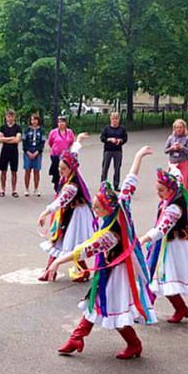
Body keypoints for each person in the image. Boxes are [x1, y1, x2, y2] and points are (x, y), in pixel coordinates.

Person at [46, 146, 155, 360]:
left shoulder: (110, 234)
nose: (94, 210)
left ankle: (133, 344)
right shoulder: (120, 205)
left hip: (118, 271)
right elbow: (130, 181)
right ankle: (77, 337)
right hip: (110, 268)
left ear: (106, 208)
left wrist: (59, 261)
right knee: (96, 302)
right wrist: (137, 156)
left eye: (97, 208)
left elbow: (85, 249)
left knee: (111, 307)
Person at [140, 166, 188, 324]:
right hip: (165, 244)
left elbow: (161, 229)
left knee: (163, 279)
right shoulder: (166, 202)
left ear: (171, 190)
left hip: (173, 247)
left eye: (161, 190)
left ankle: (150, 310)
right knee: (161, 280)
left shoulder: (175, 208)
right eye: (157, 190)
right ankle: (177, 308)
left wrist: (144, 239)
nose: (159, 194)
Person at [36, 132, 93, 282]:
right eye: (59, 168)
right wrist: (79, 141)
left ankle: (83, 270)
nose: (60, 171)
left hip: (77, 215)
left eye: (63, 169)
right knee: (59, 239)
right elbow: (74, 153)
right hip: (68, 212)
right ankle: (50, 271)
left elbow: (60, 201)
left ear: (71, 169)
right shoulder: (69, 173)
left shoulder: (72, 186)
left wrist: (44, 213)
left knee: (71, 243)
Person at [99, 112, 128, 191]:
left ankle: (116, 184)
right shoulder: (106, 128)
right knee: (105, 168)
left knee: (117, 168)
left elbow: (125, 139)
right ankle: (103, 184)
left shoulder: (122, 129)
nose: (114, 121)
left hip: (117, 151)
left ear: (118, 120)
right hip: (108, 150)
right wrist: (109, 139)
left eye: (116, 119)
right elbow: (102, 138)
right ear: (110, 120)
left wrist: (120, 140)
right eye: (113, 119)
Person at [0, 109, 22, 197]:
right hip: (4, 151)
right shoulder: (2, 127)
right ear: (6, 117)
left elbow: (17, 140)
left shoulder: (18, 127)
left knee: (14, 171)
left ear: (14, 117)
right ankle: (2, 189)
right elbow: (0, 139)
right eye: (8, 116)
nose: (10, 118)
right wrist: (11, 137)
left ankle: (14, 190)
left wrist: (6, 139)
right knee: (3, 171)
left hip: (14, 152)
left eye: (12, 116)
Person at [47, 116, 75, 192]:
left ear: (65, 123)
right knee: (57, 171)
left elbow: (72, 142)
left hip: (65, 156)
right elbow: (50, 142)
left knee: (65, 172)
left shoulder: (69, 132)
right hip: (55, 155)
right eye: (59, 122)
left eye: (62, 122)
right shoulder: (53, 132)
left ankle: (63, 186)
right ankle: (57, 186)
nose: (61, 124)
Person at [164, 118, 188, 188]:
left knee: (183, 183)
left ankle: (183, 198)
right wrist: (172, 148)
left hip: (183, 163)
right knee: (172, 183)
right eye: (177, 128)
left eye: (180, 127)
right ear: (174, 129)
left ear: (184, 128)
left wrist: (182, 147)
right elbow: (165, 150)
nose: (178, 129)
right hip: (173, 163)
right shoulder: (171, 138)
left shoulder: (187, 139)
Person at [22, 113, 45, 197]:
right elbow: (24, 142)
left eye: (35, 119)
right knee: (27, 170)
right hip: (28, 152)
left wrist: (37, 152)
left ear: (38, 120)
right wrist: (27, 151)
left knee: (36, 171)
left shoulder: (41, 130)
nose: (34, 121)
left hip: (37, 153)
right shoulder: (27, 130)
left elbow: (42, 143)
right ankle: (27, 189)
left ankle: (36, 189)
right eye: (32, 120)